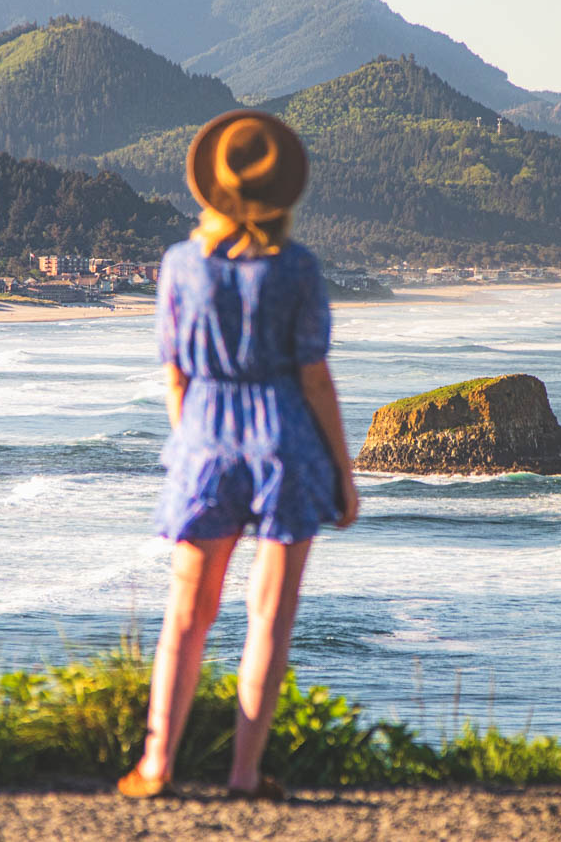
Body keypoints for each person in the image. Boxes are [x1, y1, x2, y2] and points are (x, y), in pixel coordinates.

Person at [118, 110, 360, 800]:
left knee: (187, 615)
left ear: (211, 188)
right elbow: (314, 375)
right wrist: (344, 472)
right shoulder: (298, 270)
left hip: (206, 441)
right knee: (269, 619)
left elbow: (175, 374)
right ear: (283, 190)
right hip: (287, 443)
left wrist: (191, 437)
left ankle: (157, 764)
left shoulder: (178, 266)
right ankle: (245, 775)